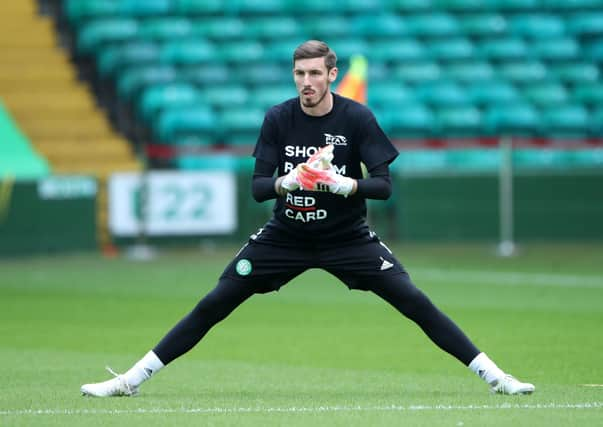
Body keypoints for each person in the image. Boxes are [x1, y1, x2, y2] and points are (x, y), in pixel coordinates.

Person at [81, 40, 534, 397]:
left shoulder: (357, 118)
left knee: (414, 302)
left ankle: (496, 377)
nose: (306, 81)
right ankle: (129, 380)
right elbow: (259, 187)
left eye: (315, 73)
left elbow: (384, 184)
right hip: (286, 236)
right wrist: (289, 181)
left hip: (347, 238)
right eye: (300, 73)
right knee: (213, 304)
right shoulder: (278, 118)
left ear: (332, 75)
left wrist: (345, 184)